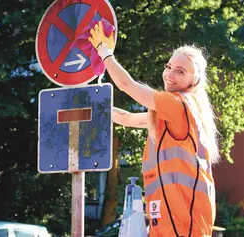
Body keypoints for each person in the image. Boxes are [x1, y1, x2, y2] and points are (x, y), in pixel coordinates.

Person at [89, 22, 220, 237]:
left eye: (180, 71)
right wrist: (95, 107)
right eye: (168, 67)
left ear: (194, 79)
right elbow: (130, 118)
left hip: (182, 223)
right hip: (172, 221)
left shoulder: (178, 104)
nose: (170, 75)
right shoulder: (172, 113)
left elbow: (127, 86)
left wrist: (104, 51)